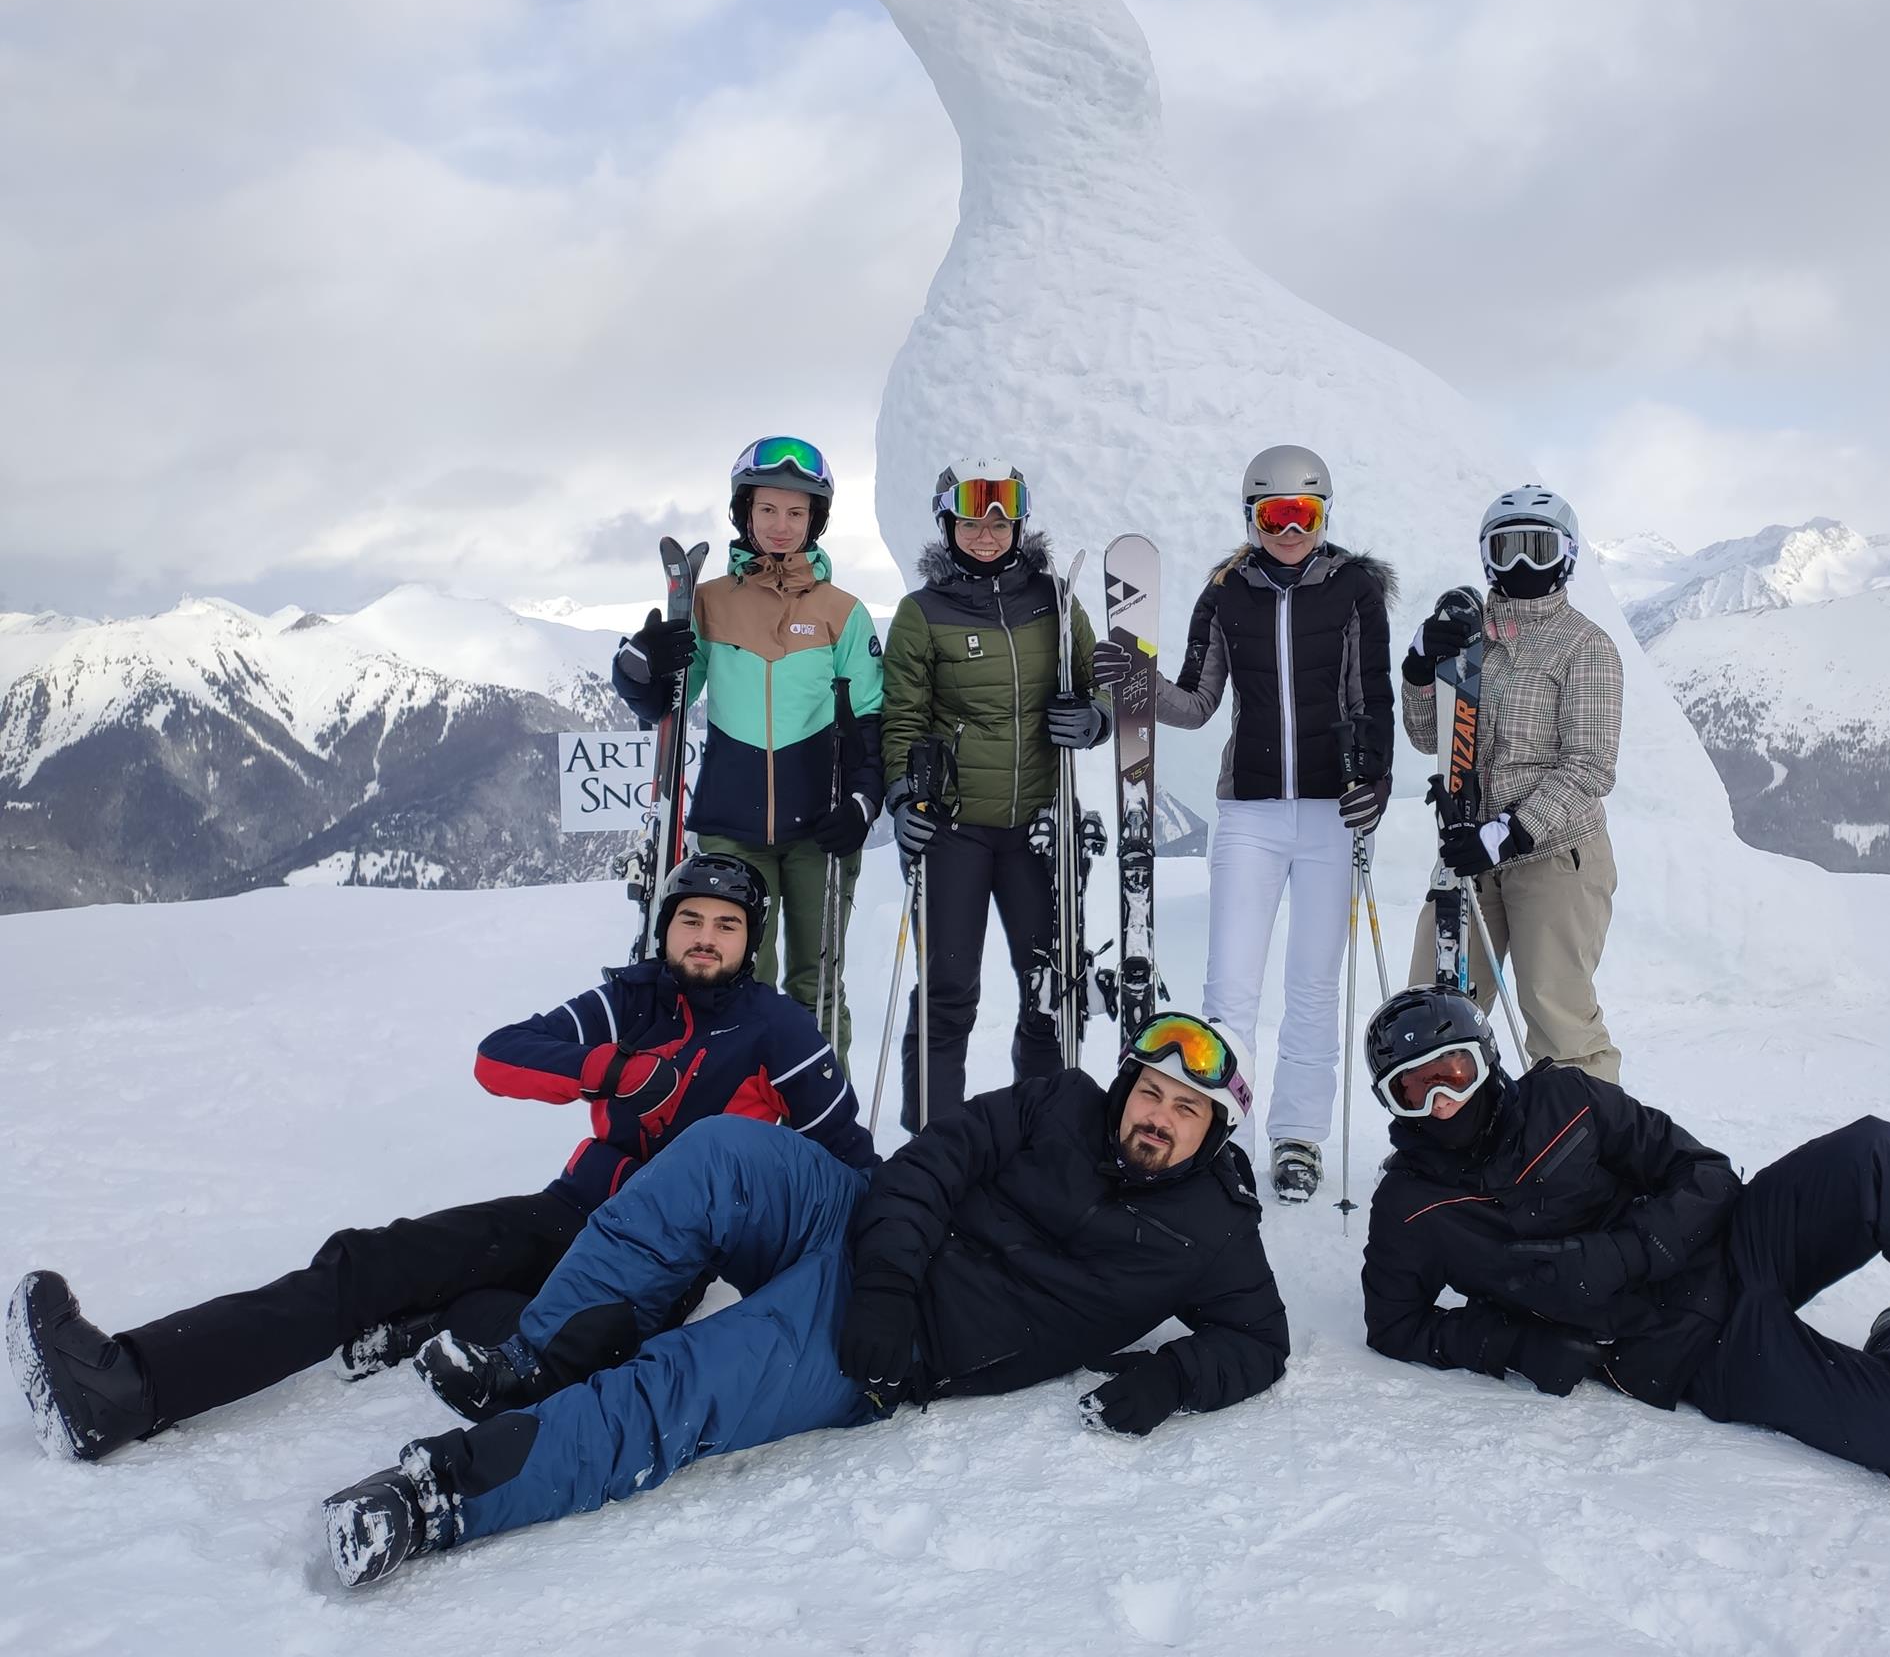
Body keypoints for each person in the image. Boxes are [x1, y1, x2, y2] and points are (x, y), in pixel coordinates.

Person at [320, 1012, 1289, 1587]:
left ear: (1215, 1132)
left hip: (896, 1345)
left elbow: (1261, 1339)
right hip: (866, 1232)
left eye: (1186, 1109)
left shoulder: (1214, 1236)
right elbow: (932, 1164)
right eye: (1152, 1091)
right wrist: (887, 1274)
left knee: (687, 1381)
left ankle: (442, 1493)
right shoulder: (1060, 1101)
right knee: (717, 1157)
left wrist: (1174, 1376)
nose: (1157, 1117)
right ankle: (530, 1367)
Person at [5, 855, 873, 1464]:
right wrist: (610, 1068)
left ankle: (431, 1329)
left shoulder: (777, 1030)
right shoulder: (628, 1003)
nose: (707, 938)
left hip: (657, 1259)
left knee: (513, 1326)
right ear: (667, 927)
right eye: (692, 919)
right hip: (568, 1210)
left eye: (728, 925)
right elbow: (500, 1055)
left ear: (750, 941)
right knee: (373, 1259)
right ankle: (127, 1386)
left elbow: (844, 1160)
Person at [1357, 988, 1890, 1486]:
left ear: (1487, 1059)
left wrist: (1635, 1249)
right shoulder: (1412, 1208)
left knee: (1876, 1157)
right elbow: (1394, 1325)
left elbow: (1707, 1175)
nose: (1443, 1104)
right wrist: (1512, 1342)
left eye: (1455, 1074)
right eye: (1414, 1091)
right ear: (1390, 1104)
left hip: (1732, 1243)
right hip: (1684, 1348)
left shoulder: (1567, 1098)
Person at [1100, 444, 1393, 1204]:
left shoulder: (1355, 589)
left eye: (1304, 514)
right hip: (1251, 813)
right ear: (1251, 517)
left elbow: (1375, 697)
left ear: (1325, 516)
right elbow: (1196, 703)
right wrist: (1136, 680)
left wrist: (1377, 781)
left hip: (1332, 813)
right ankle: (1221, 1124)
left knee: (1313, 984)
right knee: (1228, 989)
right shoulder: (1226, 593)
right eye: (1274, 514)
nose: (1288, 529)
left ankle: (1297, 1137)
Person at [614, 436, 884, 1060]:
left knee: (817, 985)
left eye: (796, 512)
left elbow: (871, 720)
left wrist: (864, 801)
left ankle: (822, 1132)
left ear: (816, 518)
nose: (781, 525)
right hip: (731, 830)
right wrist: (636, 670)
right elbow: (667, 704)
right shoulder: (708, 604)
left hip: (822, 830)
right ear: (745, 513)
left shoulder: (845, 614)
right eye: (767, 510)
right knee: (738, 984)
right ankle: (743, 1125)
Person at [879, 456, 1109, 1130]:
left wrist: (1095, 719)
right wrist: (902, 797)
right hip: (955, 828)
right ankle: (934, 1148)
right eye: (972, 517)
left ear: (1019, 521)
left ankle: (1037, 1139)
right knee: (948, 993)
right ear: (947, 522)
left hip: (1037, 827)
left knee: (1047, 991)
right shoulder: (922, 613)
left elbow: (1101, 682)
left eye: (1002, 516)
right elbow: (901, 719)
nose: (988, 530)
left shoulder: (1055, 601)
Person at [1402, 484, 1626, 1082]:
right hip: (1469, 852)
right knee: (1436, 1006)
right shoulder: (1467, 634)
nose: (1523, 565)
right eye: (1507, 550)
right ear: (1486, 556)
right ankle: (1443, 1135)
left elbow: (1588, 770)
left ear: (1567, 557)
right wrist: (1421, 669)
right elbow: (1431, 738)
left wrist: (1508, 833)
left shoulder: (1588, 648)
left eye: (1539, 548)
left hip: (1555, 857)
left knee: (1557, 1017)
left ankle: (1584, 1148)